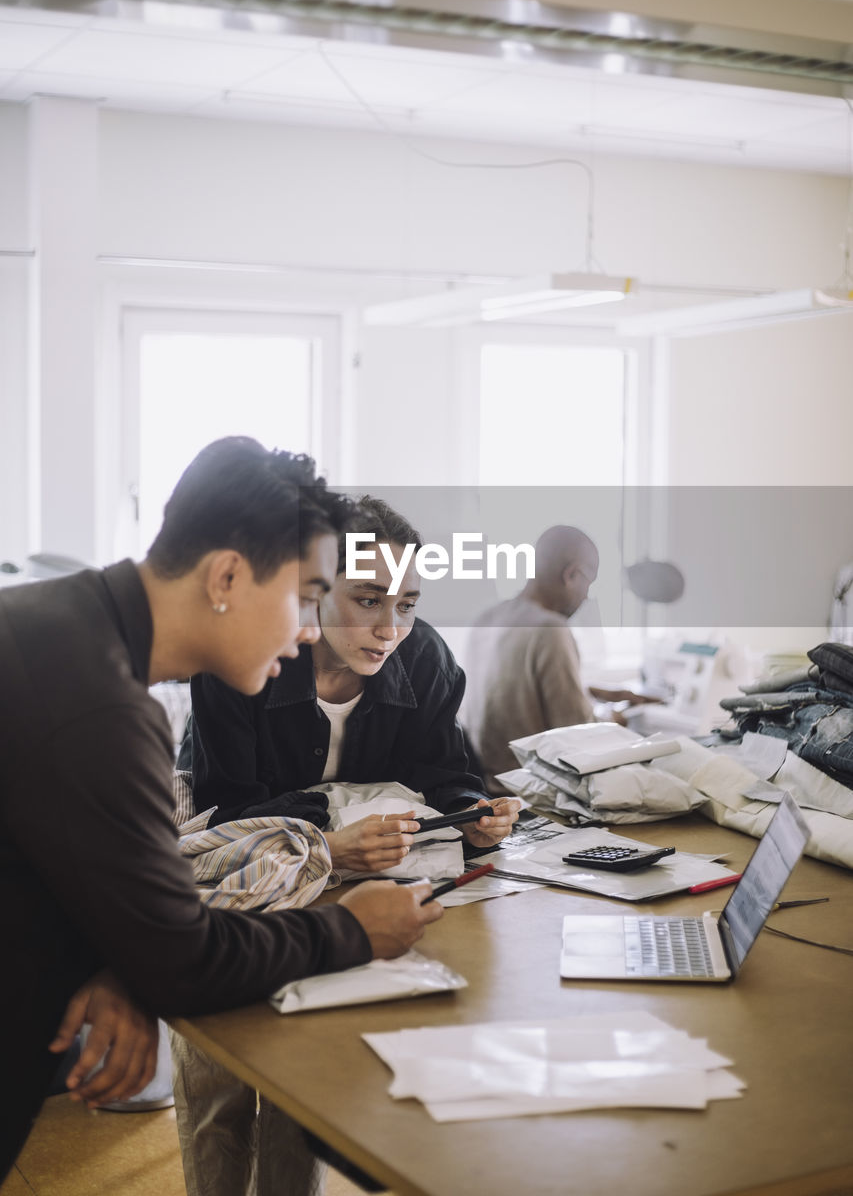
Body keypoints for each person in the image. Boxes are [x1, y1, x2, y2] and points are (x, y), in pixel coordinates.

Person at [0, 439, 443, 1181]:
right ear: (228, 576)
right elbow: (188, 963)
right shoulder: (103, 709)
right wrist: (351, 928)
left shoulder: (53, 627)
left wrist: (122, 959)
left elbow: (72, 865)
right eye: (306, 597)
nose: (309, 629)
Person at [173, 496, 521, 1196]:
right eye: (367, 600)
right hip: (238, 894)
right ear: (316, 588)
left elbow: (445, 770)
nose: (390, 627)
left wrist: (470, 813)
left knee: (302, 1087)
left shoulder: (423, 658)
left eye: (408, 604)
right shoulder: (241, 658)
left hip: (348, 906)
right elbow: (225, 816)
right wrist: (329, 842)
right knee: (222, 1089)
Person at [462, 525, 651, 786]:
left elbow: (513, 692)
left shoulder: (487, 618)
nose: (586, 596)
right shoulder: (550, 629)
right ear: (571, 575)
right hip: (530, 792)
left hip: (485, 784)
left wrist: (594, 692)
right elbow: (580, 732)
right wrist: (619, 716)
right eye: (589, 583)